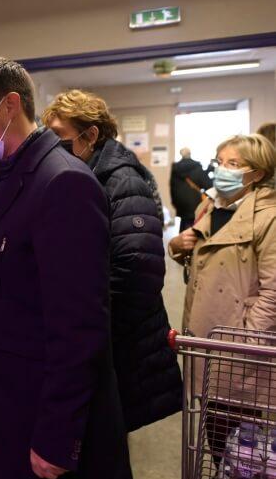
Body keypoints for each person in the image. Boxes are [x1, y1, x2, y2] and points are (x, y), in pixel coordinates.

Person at [0, 57, 132, 479]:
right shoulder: (12, 177)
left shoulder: (64, 183)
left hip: (39, 416)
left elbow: (79, 328)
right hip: (8, 400)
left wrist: (57, 437)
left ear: (10, 105)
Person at [43, 89, 182, 433]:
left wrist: (89, 331)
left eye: (58, 137)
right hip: (102, 337)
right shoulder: (81, 175)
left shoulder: (121, 181)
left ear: (90, 135)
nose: (50, 147)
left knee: (106, 443)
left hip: (119, 341)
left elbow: (136, 272)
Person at [168, 133, 276, 463]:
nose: (222, 170)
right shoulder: (208, 206)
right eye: (220, 162)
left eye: (234, 164)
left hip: (240, 347)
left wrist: (245, 337)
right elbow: (201, 261)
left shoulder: (268, 217)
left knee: (246, 444)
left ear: (256, 173)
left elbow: (274, 291)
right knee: (214, 433)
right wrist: (177, 246)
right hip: (206, 336)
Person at [171, 147, 212, 232]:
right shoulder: (197, 166)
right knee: (194, 224)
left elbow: (172, 187)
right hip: (195, 201)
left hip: (180, 202)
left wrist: (174, 202)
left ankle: (181, 241)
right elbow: (207, 184)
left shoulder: (175, 168)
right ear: (190, 154)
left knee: (184, 223)